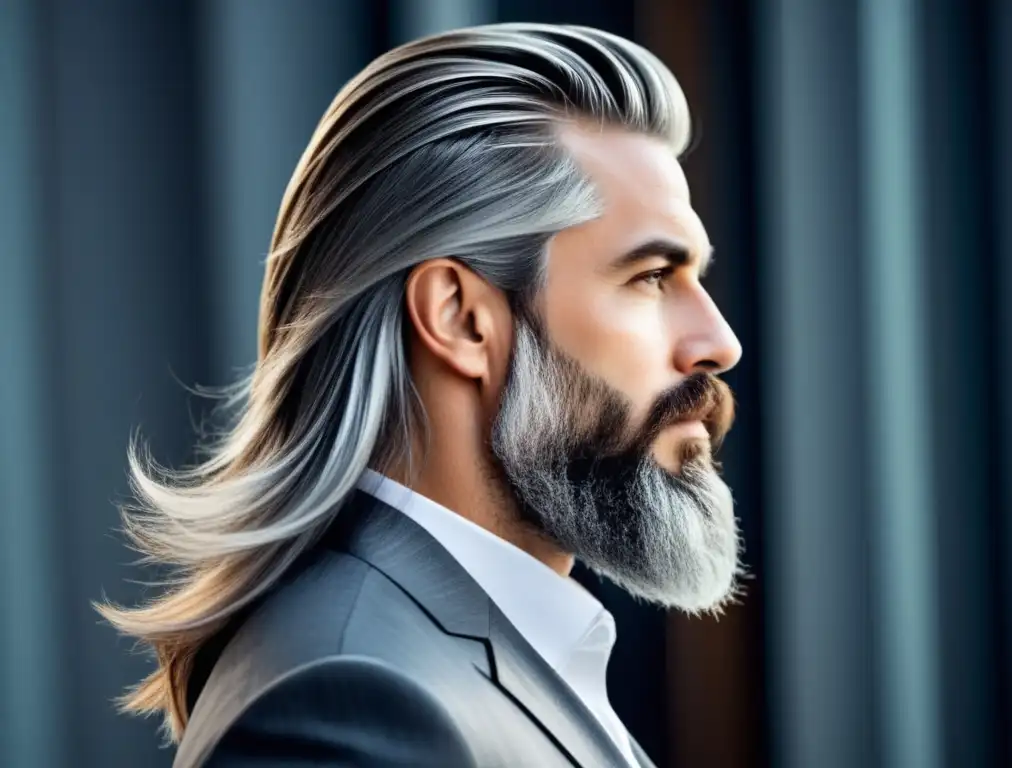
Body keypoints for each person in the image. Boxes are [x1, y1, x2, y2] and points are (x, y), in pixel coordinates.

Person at [98, 22, 743, 768]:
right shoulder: (349, 701)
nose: (718, 342)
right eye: (651, 278)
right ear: (460, 318)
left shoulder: (467, 652)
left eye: (698, 277)